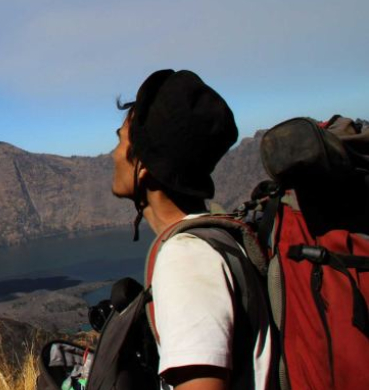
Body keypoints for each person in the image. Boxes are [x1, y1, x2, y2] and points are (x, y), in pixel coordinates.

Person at [110, 70, 272, 390]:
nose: (113, 154)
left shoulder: (186, 260)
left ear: (142, 165)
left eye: (120, 140)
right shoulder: (220, 236)